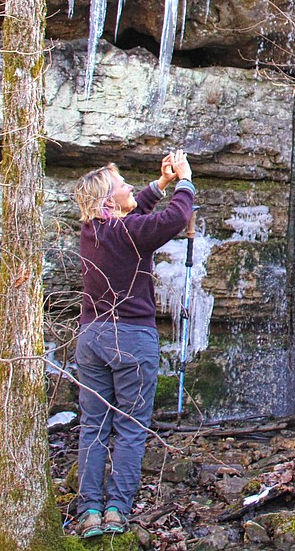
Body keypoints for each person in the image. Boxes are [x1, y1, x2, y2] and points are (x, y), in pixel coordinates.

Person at [72, 151, 195, 538]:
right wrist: (184, 181)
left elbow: (134, 211)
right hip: (131, 339)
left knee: (93, 426)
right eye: (123, 184)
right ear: (109, 202)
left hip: (91, 337)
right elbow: (174, 218)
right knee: (130, 427)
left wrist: (160, 184)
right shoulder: (130, 233)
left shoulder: (92, 230)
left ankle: (89, 510)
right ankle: (116, 511)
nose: (130, 187)